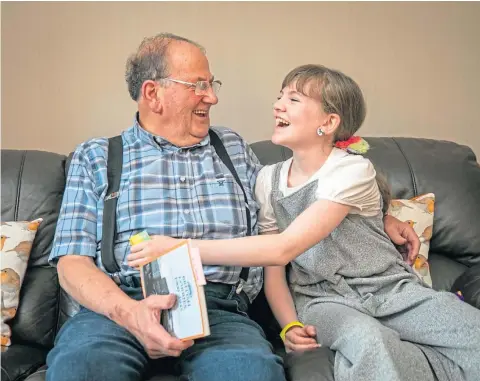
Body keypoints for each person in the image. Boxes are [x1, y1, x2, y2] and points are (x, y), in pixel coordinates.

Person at [46, 32, 420, 381]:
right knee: (82, 368)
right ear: (153, 93)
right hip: (122, 306)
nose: (212, 97)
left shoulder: (233, 148)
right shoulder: (97, 157)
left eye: (212, 84)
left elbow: (296, 201)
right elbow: (71, 263)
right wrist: (129, 314)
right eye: (199, 86)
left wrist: (378, 215)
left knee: (250, 372)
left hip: (221, 309)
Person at [128, 64, 480, 381]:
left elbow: (286, 245)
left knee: (474, 334)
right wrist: (290, 324)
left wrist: (180, 247)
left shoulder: (353, 169)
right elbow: (274, 266)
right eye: (280, 96)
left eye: (294, 99)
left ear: (328, 123)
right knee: (368, 342)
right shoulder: (267, 180)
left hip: (390, 289)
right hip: (322, 301)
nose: (278, 105)